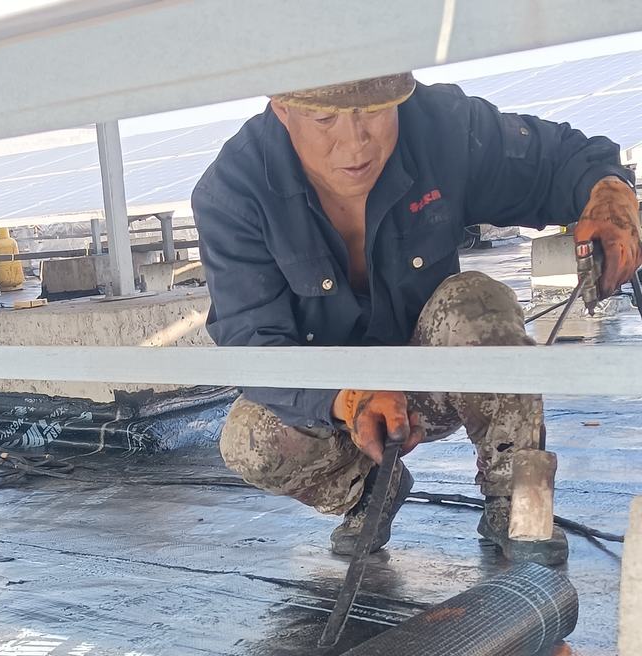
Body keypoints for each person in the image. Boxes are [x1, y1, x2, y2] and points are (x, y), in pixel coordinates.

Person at [192, 73, 641, 566]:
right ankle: (368, 489)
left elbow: (559, 158)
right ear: (281, 107)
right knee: (250, 439)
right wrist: (348, 399)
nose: (355, 143)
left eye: (374, 111)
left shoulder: (442, 125)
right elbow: (251, 341)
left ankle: (518, 501)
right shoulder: (232, 191)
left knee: (476, 299)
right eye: (323, 120)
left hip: (434, 380)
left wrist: (610, 194)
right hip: (339, 408)